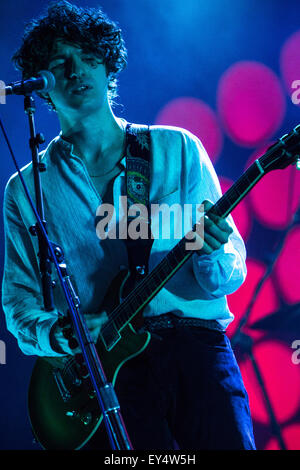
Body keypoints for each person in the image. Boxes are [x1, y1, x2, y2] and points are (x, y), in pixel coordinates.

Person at [2, 1, 255, 450]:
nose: (76, 69)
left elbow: (228, 275)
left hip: (195, 349)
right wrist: (60, 334)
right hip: (107, 372)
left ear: (108, 65)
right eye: (60, 61)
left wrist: (214, 249)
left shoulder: (177, 149)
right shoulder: (26, 190)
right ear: (42, 83)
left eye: (88, 56)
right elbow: (19, 302)